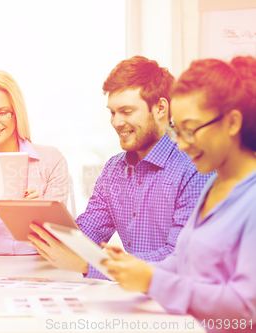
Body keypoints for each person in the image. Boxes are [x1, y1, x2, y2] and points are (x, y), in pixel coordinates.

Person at [100, 56, 256, 327]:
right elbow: (184, 262)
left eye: (191, 130)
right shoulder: (214, 184)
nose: (181, 146)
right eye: (178, 132)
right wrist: (133, 270)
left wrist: (152, 280)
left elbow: (246, 308)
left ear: (232, 123)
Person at [29, 56, 210, 279]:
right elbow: (87, 233)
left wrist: (89, 265)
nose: (116, 122)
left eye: (126, 111)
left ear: (161, 108)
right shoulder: (114, 169)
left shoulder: (196, 167)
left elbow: (180, 258)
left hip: (180, 305)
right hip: (133, 297)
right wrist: (43, 215)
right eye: (112, 112)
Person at [0, 70, 70, 258]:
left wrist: (35, 215)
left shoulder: (51, 160)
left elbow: (58, 236)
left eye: (1, 112)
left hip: (40, 269)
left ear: (16, 113)